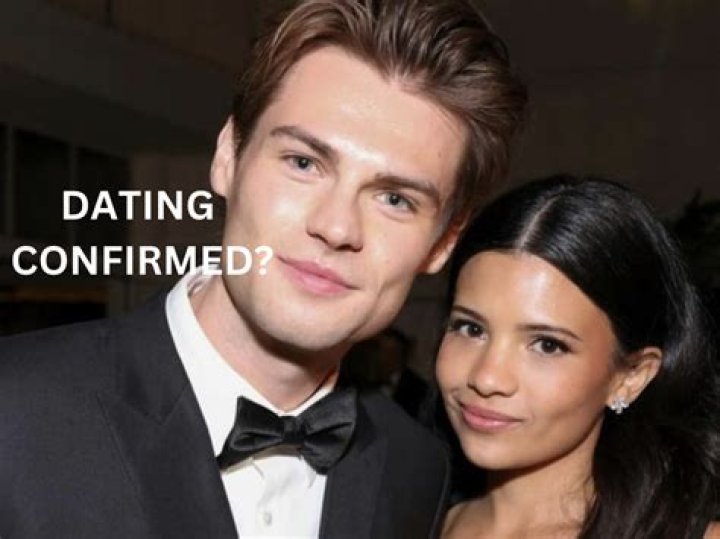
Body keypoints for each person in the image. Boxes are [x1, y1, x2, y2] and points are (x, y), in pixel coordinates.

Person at [0, 1, 526, 538]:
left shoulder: (414, 471)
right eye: (303, 163)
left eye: (395, 199)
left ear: (443, 243)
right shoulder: (15, 410)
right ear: (228, 157)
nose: (336, 226)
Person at [436, 175, 720, 538]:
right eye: (471, 328)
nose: (487, 378)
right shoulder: (402, 519)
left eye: (547, 345)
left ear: (631, 376)